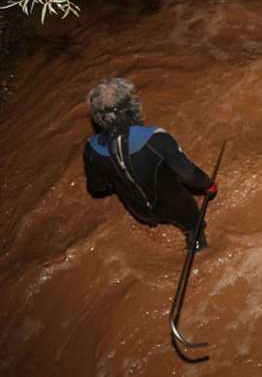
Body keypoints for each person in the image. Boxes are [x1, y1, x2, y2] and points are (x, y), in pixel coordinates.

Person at [82, 78, 217, 251]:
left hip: (140, 212)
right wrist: (209, 185)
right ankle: (196, 240)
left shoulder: (91, 148)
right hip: (176, 207)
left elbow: (97, 188)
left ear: (98, 117)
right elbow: (189, 175)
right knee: (193, 225)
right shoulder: (156, 137)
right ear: (132, 108)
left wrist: (122, 178)